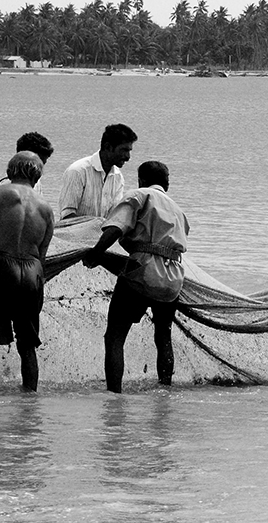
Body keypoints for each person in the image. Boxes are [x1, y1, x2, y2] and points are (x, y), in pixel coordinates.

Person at [83, 161, 189, 393]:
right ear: (166, 182)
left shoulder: (138, 196)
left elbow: (116, 228)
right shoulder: (178, 210)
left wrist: (95, 253)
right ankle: (164, 392)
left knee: (114, 337)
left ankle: (114, 396)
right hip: (172, 280)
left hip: (142, 273)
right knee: (163, 336)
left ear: (141, 179)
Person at [0, 152, 54, 398]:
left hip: (2, 267)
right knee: (27, 344)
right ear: (37, 176)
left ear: (9, 171)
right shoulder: (47, 209)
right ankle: (29, 406)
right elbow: (43, 257)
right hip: (33, 272)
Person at [58, 123, 137, 220]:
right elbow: (67, 216)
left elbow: (113, 217)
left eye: (129, 151)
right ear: (108, 147)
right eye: (124, 150)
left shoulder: (118, 177)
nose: (128, 157)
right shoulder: (78, 171)